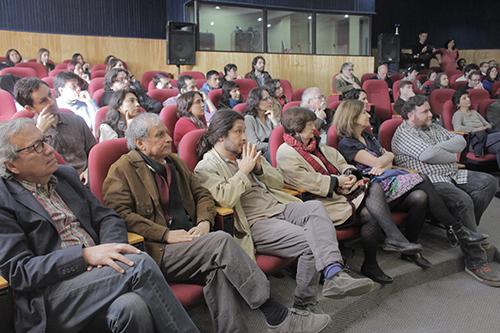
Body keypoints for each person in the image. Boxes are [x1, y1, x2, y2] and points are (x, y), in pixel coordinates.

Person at [102, 113, 330, 333]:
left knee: (218, 271)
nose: (169, 138)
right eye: (160, 135)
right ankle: (275, 315)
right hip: (159, 251)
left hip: (192, 241)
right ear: (141, 143)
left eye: (166, 133)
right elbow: (120, 215)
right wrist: (165, 234)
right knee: (221, 242)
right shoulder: (121, 170)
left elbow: (202, 195)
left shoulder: (174, 162)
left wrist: (203, 222)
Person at [0, 118, 200, 333]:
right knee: (139, 265)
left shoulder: (65, 176)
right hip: (51, 294)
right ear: (12, 165)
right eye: (36, 147)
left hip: (99, 274)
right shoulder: (4, 200)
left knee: (133, 307)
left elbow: (107, 217)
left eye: (45, 140)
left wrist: (108, 253)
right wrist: (85, 256)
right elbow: (20, 271)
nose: (50, 150)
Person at [195, 110, 375, 312]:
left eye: (244, 131)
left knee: (315, 208)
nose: (245, 137)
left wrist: (259, 169)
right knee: (310, 241)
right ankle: (304, 303)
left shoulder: (246, 153)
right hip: (255, 221)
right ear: (221, 136)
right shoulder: (206, 166)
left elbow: (278, 182)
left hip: (277, 205)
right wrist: (244, 171)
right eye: (238, 132)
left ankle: (334, 274)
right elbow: (225, 198)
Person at [334, 100, 486, 268]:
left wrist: (385, 160)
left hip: (388, 183)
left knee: (420, 196)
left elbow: (388, 160)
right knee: (421, 177)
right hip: (370, 192)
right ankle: (457, 229)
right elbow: (377, 162)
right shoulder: (346, 143)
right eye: (364, 112)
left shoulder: (368, 136)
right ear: (352, 117)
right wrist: (384, 160)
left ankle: (411, 249)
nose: (368, 115)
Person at [277, 107, 422, 283]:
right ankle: (390, 241)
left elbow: (340, 161)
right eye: (309, 126)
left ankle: (376, 259)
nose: (314, 129)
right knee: (373, 193)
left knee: (370, 210)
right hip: (318, 203)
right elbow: (309, 181)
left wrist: (350, 174)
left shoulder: (316, 144)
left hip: (339, 195)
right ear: (296, 129)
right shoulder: (285, 152)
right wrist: (339, 181)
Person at [391, 95, 500, 286]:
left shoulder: (432, 126)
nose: (430, 114)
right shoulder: (404, 133)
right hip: (430, 181)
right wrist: (446, 154)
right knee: (463, 200)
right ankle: (475, 260)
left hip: (452, 173)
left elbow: (461, 142)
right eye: (424, 111)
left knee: (488, 182)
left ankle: (464, 233)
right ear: (410, 115)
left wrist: (439, 151)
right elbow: (428, 154)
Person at [14, 77, 95, 177]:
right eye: (43, 101)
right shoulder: (26, 135)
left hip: (87, 177)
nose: (52, 102)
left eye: (50, 95)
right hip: (55, 183)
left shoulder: (76, 120)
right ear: (29, 108)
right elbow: (29, 170)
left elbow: (94, 153)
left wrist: (89, 171)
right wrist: (39, 132)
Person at [451, 90, 500, 167]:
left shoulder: (474, 112)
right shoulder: (458, 114)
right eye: (464, 98)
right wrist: (476, 129)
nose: (468, 99)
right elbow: (457, 129)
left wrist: (486, 127)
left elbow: (487, 124)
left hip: (486, 137)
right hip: (474, 141)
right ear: (458, 103)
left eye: (468, 97)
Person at [244, 87, 279, 159]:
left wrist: (274, 120)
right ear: (256, 102)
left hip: (273, 151)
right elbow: (254, 145)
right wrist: (275, 144)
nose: (270, 101)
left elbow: (280, 136)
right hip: (260, 156)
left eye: (269, 98)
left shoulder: (270, 115)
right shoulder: (248, 119)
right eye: (265, 99)